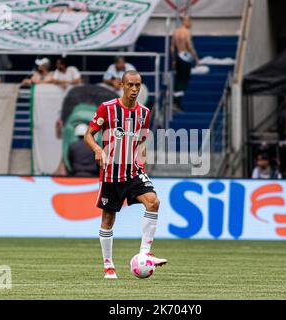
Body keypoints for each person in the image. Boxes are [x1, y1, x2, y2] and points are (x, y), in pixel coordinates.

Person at [84, 70, 167, 279]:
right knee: (108, 219)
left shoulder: (144, 113)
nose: (134, 89)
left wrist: (143, 166)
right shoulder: (108, 109)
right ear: (122, 85)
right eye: (130, 85)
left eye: (137, 85)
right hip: (111, 173)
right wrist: (97, 150)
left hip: (133, 171)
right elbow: (88, 135)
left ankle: (145, 253)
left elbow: (142, 142)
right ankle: (108, 265)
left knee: (153, 202)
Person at [171, 16, 199, 112]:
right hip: (185, 57)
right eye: (189, 21)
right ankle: (176, 103)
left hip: (178, 56)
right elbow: (189, 46)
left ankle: (175, 102)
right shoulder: (186, 32)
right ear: (185, 22)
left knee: (179, 80)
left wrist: (174, 60)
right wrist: (196, 58)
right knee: (183, 81)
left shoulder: (175, 32)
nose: (190, 23)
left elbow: (172, 48)